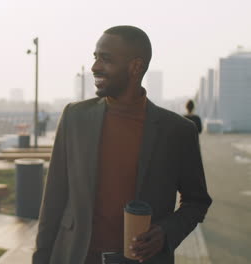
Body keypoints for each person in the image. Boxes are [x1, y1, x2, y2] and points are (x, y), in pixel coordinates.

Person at [33, 26, 212, 264]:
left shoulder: (177, 131)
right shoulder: (74, 117)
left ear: (136, 67)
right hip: (73, 256)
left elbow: (197, 201)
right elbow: (53, 200)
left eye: (105, 59)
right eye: (95, 57)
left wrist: (166, 233)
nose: (95, 66)